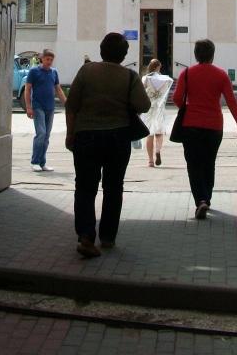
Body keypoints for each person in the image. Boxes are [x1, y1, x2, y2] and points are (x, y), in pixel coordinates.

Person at [65, 32, 150, 258]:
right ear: (124, 55)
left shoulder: (86, 71)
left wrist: (70, 134)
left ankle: (85, 236)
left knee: (85, 187)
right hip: (117, 137)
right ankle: (108, 237)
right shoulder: (129, 76)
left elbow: (71, 105)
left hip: (86, 136)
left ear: (101, 50)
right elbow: (144, 105)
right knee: (113, 187)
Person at [172, 38, 237, 220]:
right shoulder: (221, 75)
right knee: (209, 163)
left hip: (191, 125)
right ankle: (207, 198)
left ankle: (201, 200)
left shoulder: (186, 73)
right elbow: (231, 101)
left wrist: (188, 107)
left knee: (193, 165)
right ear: (212, 55)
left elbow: (177, 98)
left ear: (196, 55)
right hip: (214, 127)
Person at [24, 48, 67, 172]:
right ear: (42, 59)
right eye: (47, 59)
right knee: (41, 133)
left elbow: (58, 89)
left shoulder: (54, 72)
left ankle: (42, 163)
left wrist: (67, 104)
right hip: (38, 106)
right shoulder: (34, 71)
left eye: (51, 59)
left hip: (50, 107)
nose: (49, 61)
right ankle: (35, 162)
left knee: (47, 136)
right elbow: (27, 89)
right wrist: (28, 107)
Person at [141, 59, 173, 167]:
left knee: (149, 133)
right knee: (159, 132)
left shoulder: (145, 78)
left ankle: (150, 161)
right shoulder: (166, 79)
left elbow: (142, 92)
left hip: (149, 108)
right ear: (158, 67)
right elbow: (166, 91)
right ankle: (158, 151)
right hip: (160, 108)